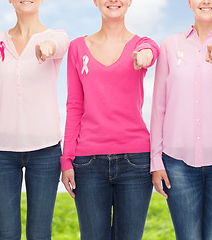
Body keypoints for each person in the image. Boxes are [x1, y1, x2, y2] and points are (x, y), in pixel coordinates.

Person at [59, 0, 159, 239]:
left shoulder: (141, 46)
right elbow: (74, 106)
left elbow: (151, 49)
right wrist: (66, 159)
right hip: (88, 163)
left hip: (135, 163)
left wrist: (146, 54)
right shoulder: (77, 47)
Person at [150, 0, 212, 239]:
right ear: (189, 2)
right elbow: (159, 105)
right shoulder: (169, 45)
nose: (206, 1)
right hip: (176, 162)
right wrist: (156, 161)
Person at [0, 0, 70, 239]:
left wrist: (48, 47)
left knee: (40, 233)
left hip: (45, 150)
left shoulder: (57, 36)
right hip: (0, 151)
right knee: (6, 233)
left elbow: (60, 46)